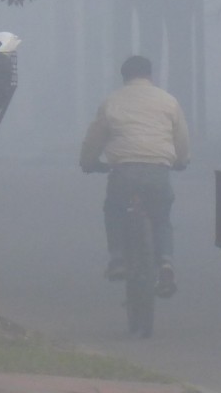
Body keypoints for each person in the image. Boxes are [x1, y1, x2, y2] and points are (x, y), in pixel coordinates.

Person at [80, 55, 190, 297]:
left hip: (123, 172)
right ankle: (166, 263)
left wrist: (89, 163)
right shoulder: (168, 101)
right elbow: (181, 137)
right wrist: (181, 161)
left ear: (124, 77)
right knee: (161, 218)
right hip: (158, 171)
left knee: (114, 209)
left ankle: (118, 258)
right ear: (150, 75)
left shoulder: (112, 102)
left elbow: (94, 138)